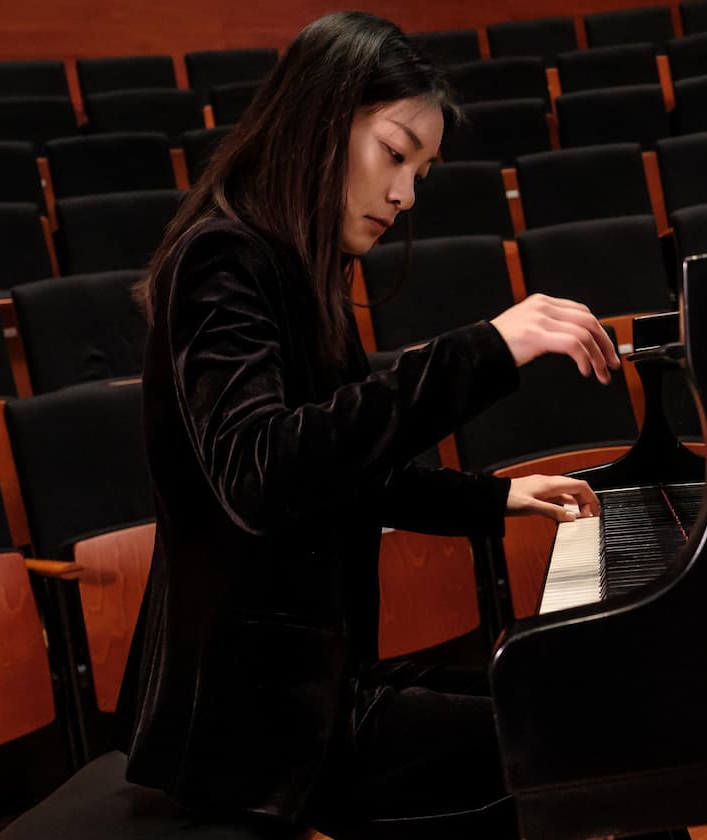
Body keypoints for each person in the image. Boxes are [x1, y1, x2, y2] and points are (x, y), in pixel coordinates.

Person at [115, 11, 620, 837]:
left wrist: (495, 500)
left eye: (420, 170)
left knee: (568, 695)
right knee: (572, 734)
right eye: (394, 153)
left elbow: (346, 469)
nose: (405, 193)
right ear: (321, 121)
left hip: (318, 689)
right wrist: (486, 349)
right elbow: (263, 473)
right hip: (259, 729)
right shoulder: (221, 258)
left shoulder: (298, 270)